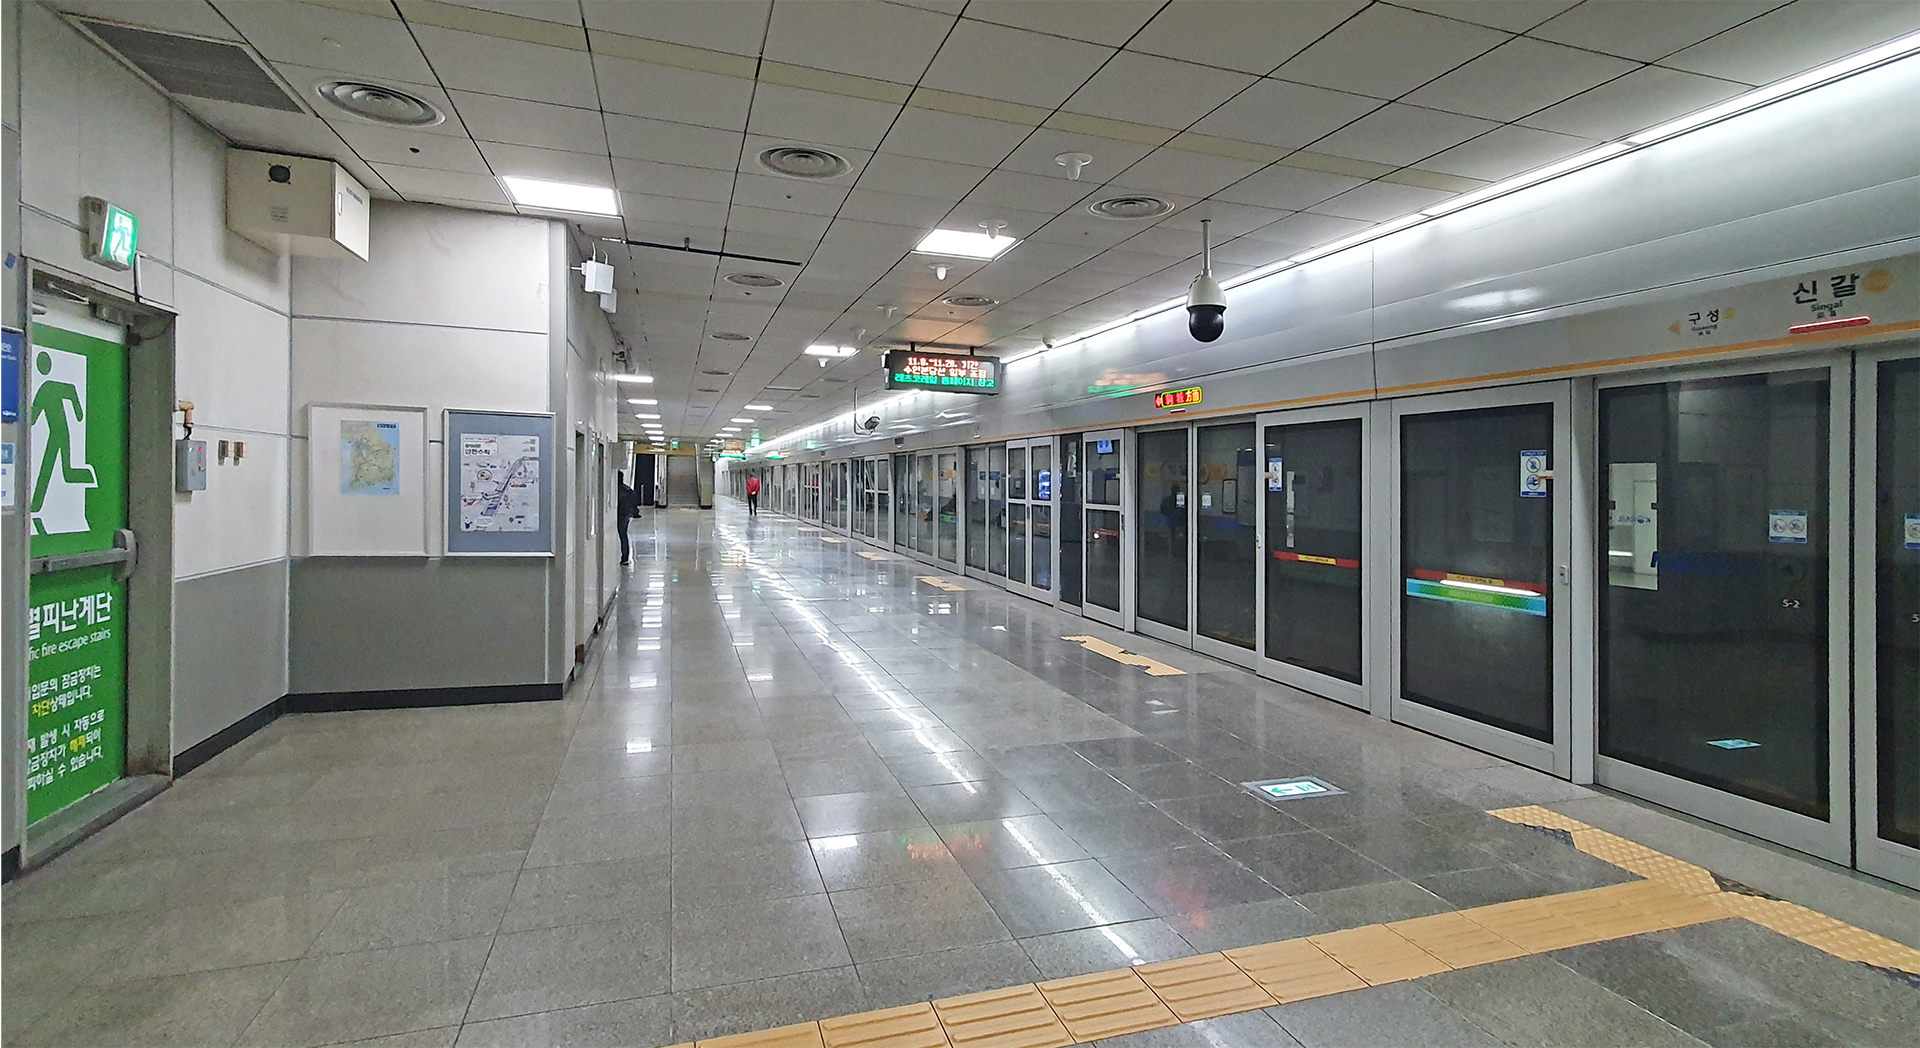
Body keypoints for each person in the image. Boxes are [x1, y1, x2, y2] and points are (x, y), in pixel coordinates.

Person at [616, 470, 637, 564]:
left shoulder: (617, 490)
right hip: (626, 515)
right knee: (624, 535)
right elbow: (634, 502)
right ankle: (625, 557)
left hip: (620, 514)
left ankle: (625, 556)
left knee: (622, 535)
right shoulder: (628, 489)